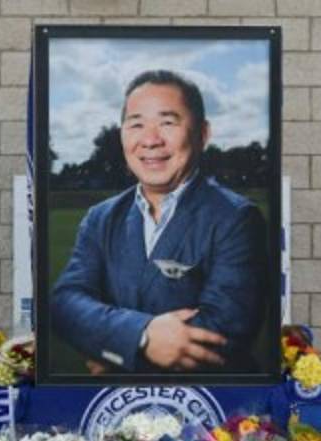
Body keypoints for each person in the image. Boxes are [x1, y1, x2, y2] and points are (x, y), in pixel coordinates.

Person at [50, 69, 268, 375]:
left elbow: (221, 333)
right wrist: (139, 337)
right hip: (116, 409)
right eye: (136, 124)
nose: (150, 140)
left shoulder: (237, 218)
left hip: (212, 408)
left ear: (202, 134)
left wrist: (111, 350)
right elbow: (65, 303)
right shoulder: (100, 217)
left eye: (167, 122)